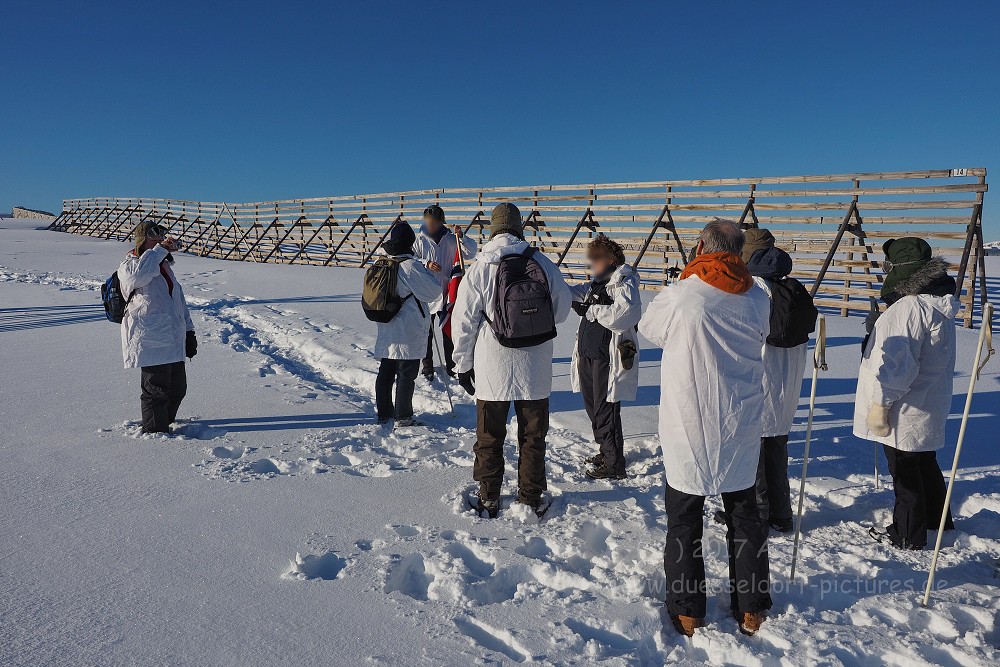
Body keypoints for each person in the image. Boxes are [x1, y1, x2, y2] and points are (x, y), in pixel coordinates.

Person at [638, 219, 772, 637]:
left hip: (690, 422)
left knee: (684, 517)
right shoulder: (758, 296)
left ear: (699, 247)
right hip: (739, 421)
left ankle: (688, 609)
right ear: (739, 252)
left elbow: (648, 329)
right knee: (744, 516)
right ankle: (751, 607)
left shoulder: (682, 296)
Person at [451, 203, 572, 517]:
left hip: (493, 365)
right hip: (536, 366)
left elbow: (463, 321)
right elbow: (560, 310)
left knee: (489, 436)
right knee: (533, 436)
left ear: (493, 229)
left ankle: (489, 497)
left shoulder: (481, 267)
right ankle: (530, 498)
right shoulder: (543, 263)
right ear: (520, 228)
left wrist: (462, 364)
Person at [855, 237, 959, 550]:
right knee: (924, 462)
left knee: (904, 470)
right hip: (926, 402)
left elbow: (898, 367)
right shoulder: (934, 303)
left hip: (903, 407)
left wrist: (880, 405)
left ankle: (907, 533)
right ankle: (937, 521)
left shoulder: (910, 308)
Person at [713, 228, 809, 533]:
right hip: (786, 384)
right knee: (776, 451)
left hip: (760, 381)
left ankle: (758, 517)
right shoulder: (792, 288)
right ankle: (780, 514)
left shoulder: (753, 291)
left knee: (754, 454)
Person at [568, 235, 642, 480]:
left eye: (595, 259)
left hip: (607, 357)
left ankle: (614, 463)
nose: (591, 264)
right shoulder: (596, 284)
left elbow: (626, 313)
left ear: (610, 259)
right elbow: (571, 293)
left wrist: (590, 311)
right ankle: (606, 452)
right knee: (593, 408)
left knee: (605, 409)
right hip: (588, 353)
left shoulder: (623, 281)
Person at [118, 221, 197, 434]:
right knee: (156, 390)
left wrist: (189, 332)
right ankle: (155, 433)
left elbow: (178, 302)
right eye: (154, 240)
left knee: (178, 389)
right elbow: (139, 276)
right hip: (150, 336)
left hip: (172, 335)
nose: (160, 244)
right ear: (142, 242)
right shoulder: (130, 265)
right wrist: (160, 251)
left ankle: (164, 423)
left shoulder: (165, 269)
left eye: (161, 240)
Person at [371, 222, 442, 427]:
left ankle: (384, 413)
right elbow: (433, 291)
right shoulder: (409, 266)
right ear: (410, 242)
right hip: (407, 326)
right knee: (406, 373)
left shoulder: (382, 262)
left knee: (386, 371)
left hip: (386, 323)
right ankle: (403, 416)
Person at [413, 204, 477, 381]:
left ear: (441, 223)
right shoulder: (419, 239)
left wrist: (461, 236)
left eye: (433, 222)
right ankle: (427, 367)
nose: (430, 225)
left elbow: (471, 252)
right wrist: (426, 262)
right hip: (427, 293)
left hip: (448, 293)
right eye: (427, 221)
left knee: (449, 329)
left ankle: (451, 366)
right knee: (427, 330)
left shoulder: (451, 239)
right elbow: (411, 259)